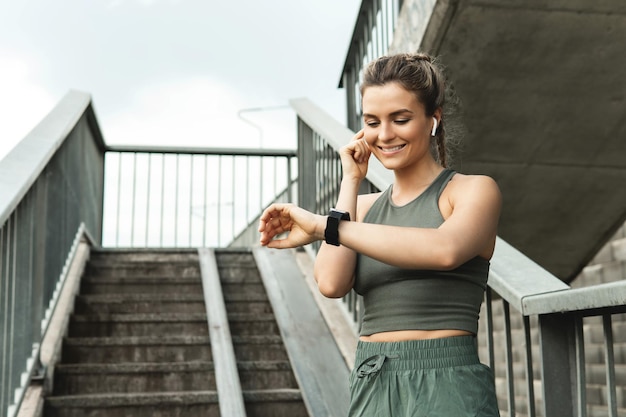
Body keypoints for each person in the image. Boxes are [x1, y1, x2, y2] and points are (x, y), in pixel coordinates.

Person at [258, 52, 501, 416]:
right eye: (372, 122)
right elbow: (329, 282)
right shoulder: (363, 210)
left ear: (433, 119)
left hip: (446, 381)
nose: (384, 135)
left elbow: (444, 250)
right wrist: (351, 182)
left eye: (400, 119)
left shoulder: (471, 191)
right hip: (372, 377)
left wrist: (325, 226)